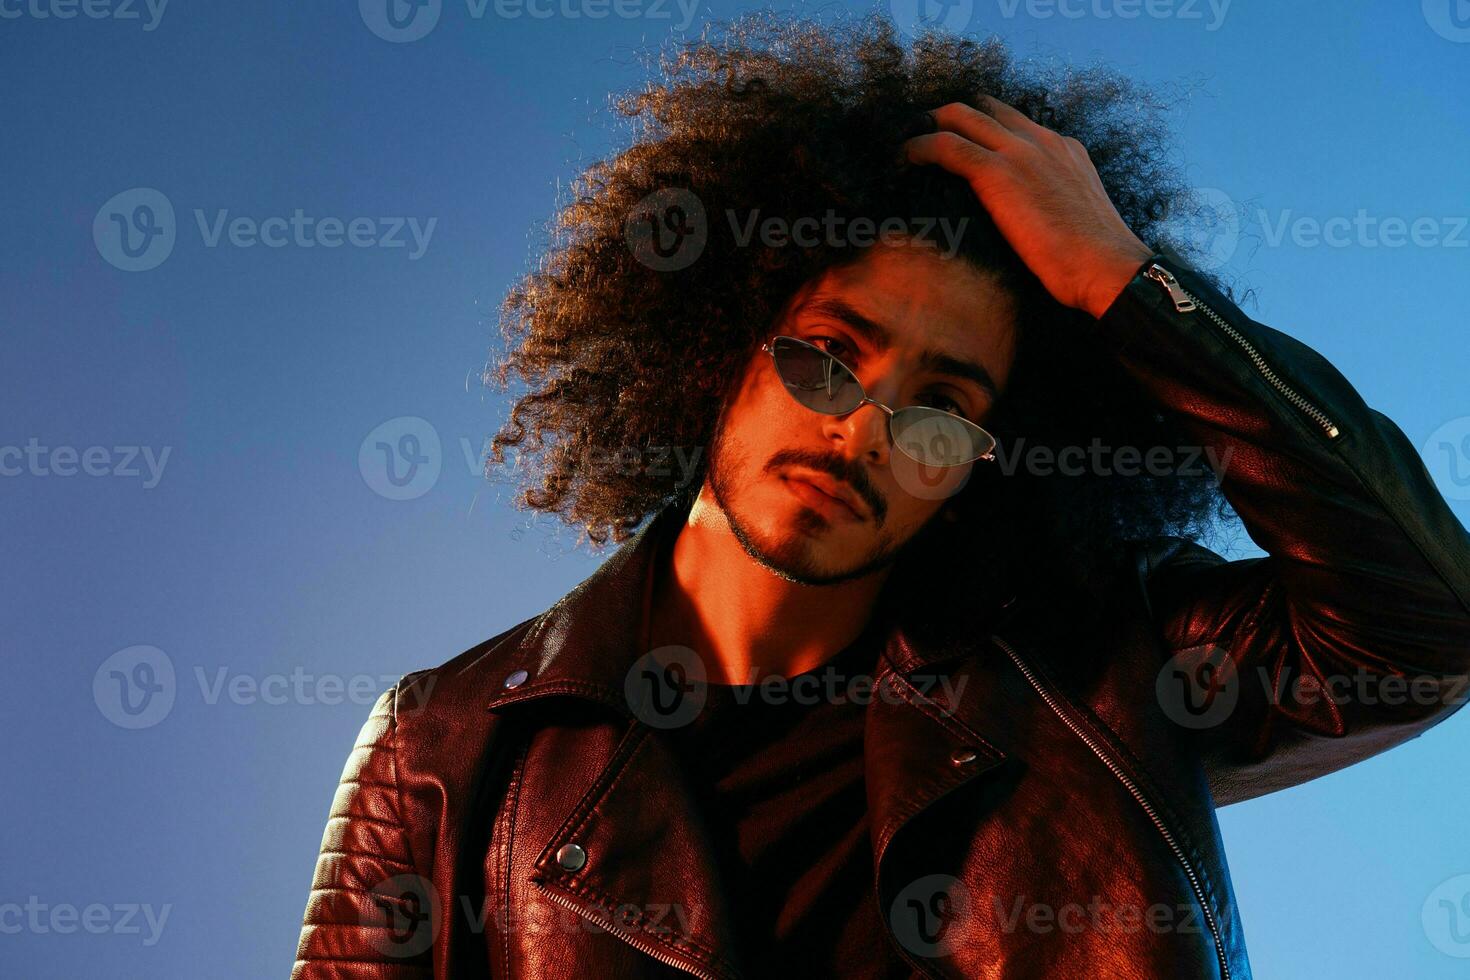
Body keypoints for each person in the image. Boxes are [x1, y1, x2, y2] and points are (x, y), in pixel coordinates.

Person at [292, 13, 1470, 979]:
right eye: (823, 356)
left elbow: (1427, 626)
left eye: (943, 405)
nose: (863, 428)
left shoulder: (1097, 665)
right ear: (715, 349)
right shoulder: (441, 745)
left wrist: (1123, 284)